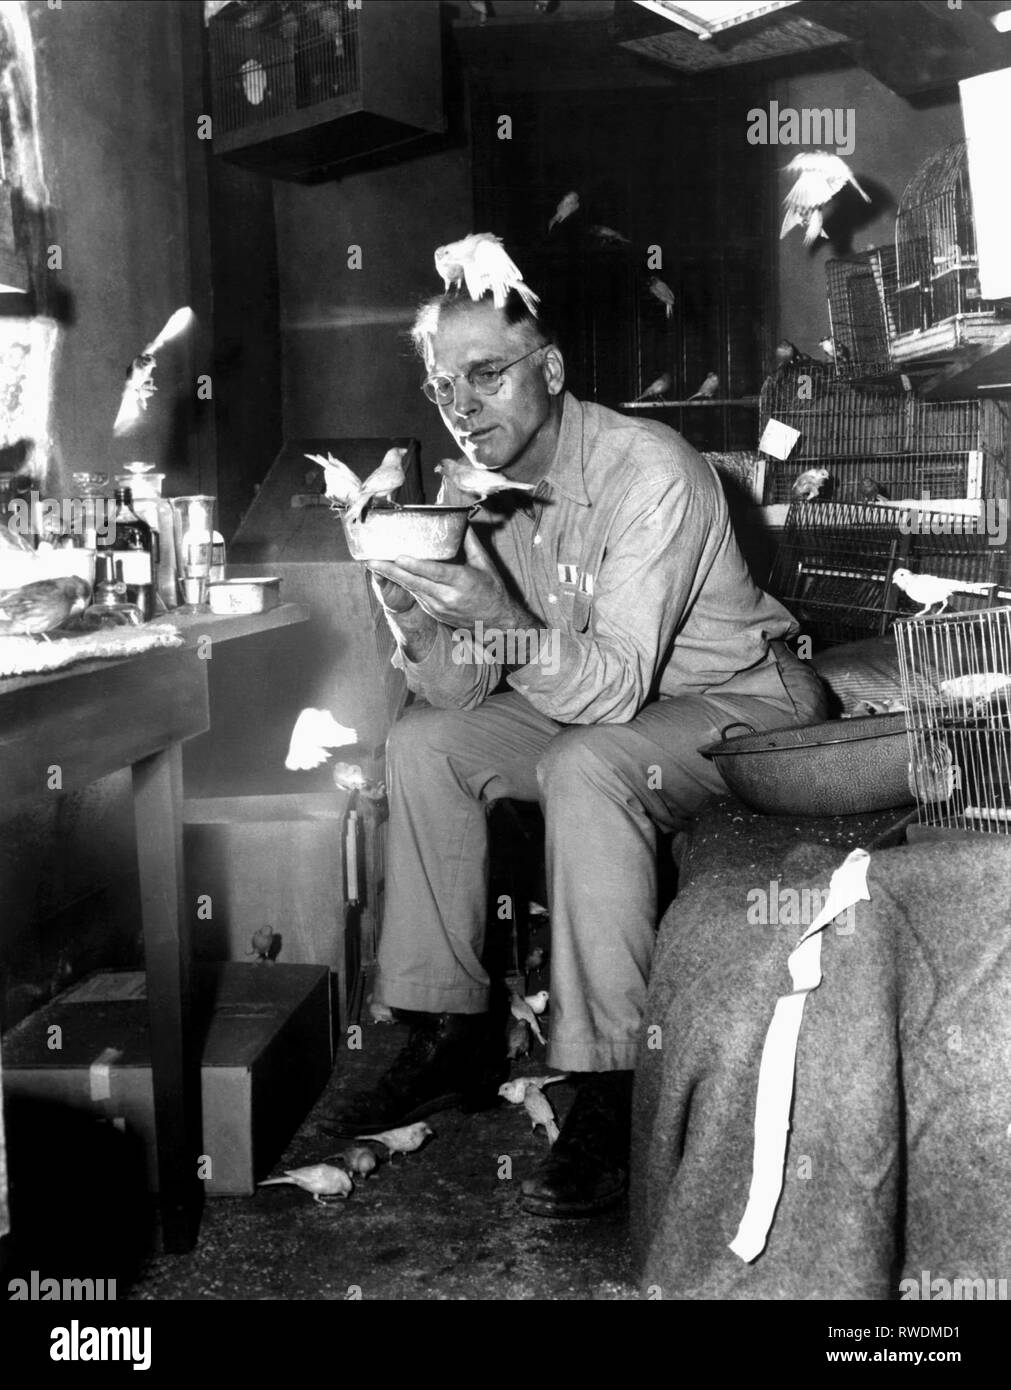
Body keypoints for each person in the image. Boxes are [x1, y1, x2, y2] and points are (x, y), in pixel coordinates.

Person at [327, 251, 826, 1217]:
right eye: (442, 386)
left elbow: (609, 692)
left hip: (744, 704)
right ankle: (453, 1030)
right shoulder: (481, 487)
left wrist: (486, 601)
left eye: (487, 374)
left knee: (585, 765)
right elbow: (463, 684)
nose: (462, 406)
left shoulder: (651, 471)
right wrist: (418, 614)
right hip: (605, 703)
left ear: (549, 372)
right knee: (424, 745)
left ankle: (612, 1084)